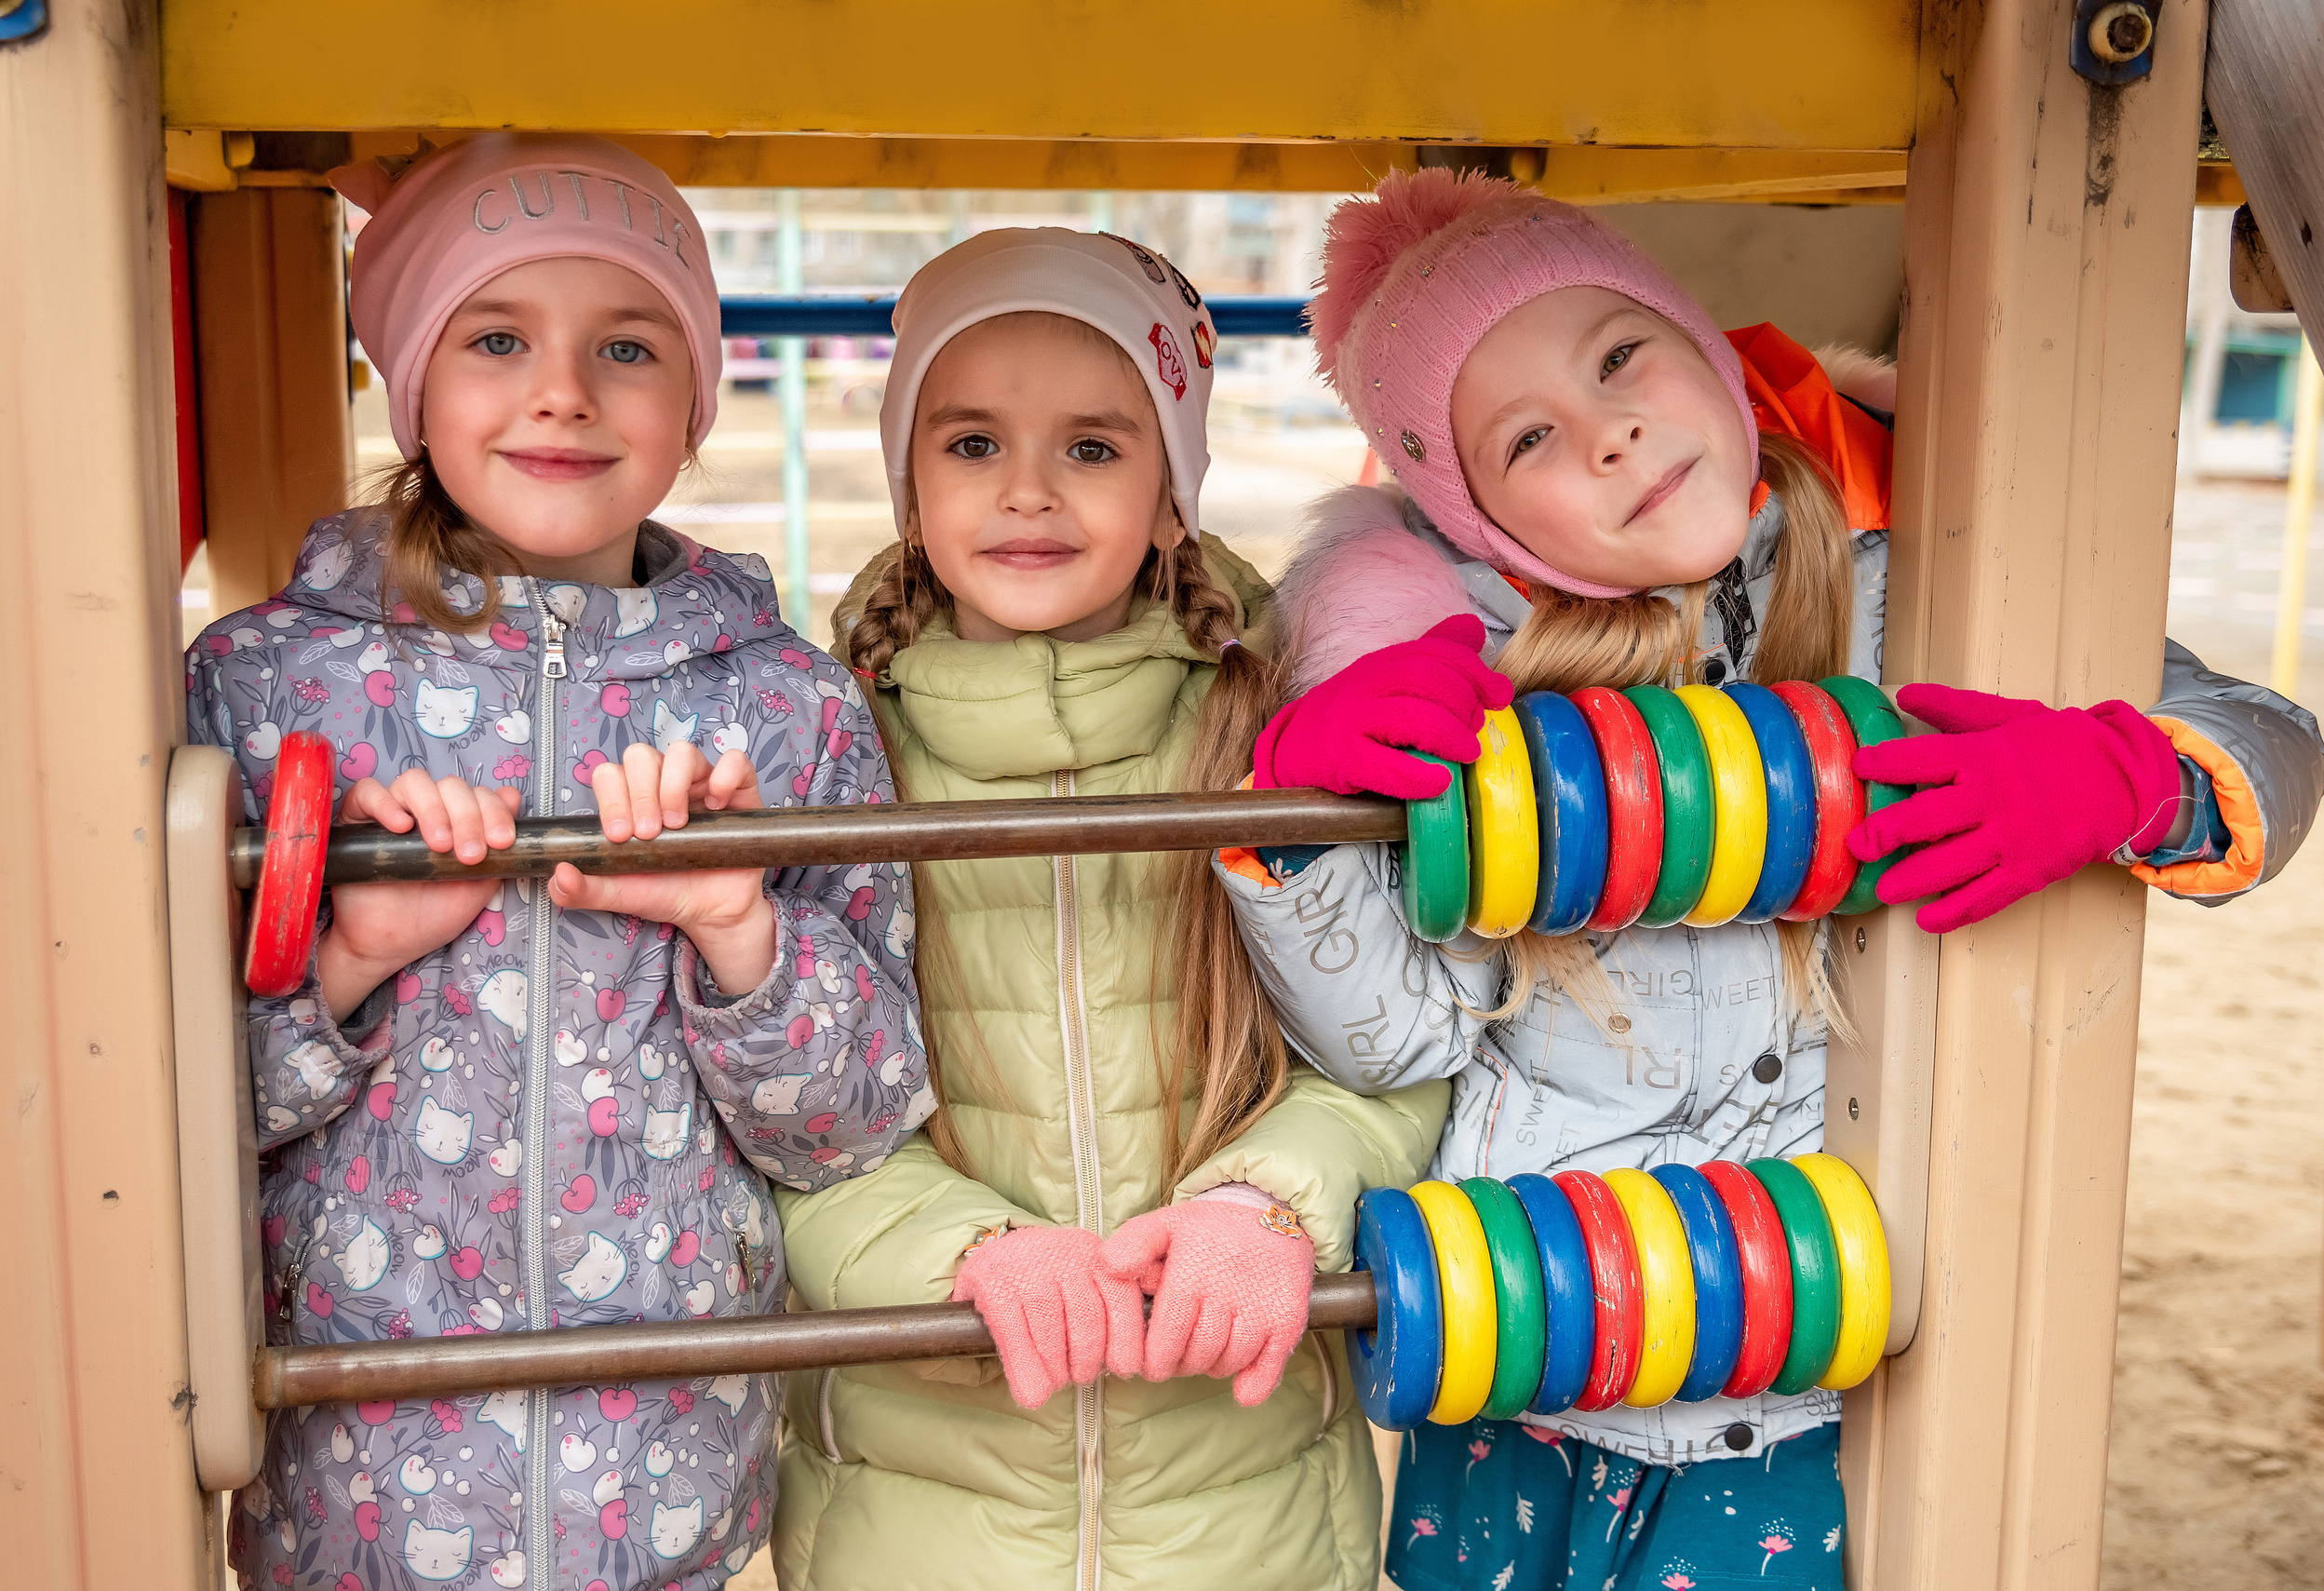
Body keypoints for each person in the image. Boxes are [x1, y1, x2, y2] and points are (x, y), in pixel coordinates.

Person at [1216, 169, 2324, 1591]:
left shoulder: (1921, 604)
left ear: (1707, 345)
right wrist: (1296, 832)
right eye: (1531, 438)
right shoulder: (1494, 722)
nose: (1612, 431)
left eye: (1621, 355)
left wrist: (2128, 775)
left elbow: (2277, 743)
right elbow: (1396, 1037)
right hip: (1521, 1374)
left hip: (1792, 1385)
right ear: (1478, 519)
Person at [188, 133, 925, 1591]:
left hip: (669, 1514)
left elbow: (849, 1126)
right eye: (499, 336)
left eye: (630, 345)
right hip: (350, 1512)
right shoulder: (265, 687)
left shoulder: (786, 707)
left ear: (698, 399)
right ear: (411, 382)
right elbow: (150, 1128)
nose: (562, 392)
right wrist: (349, 957)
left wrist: (737, 926)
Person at [766, 227, 1446, 1591]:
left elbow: (1396, 1048)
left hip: (1245, 1505)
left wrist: (1273, 1203)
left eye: (1091, 446)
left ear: (1173, 492)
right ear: (908, 482)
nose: (1027, 490)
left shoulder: (1271, 741)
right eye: (970, 445)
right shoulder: (826, 753)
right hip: (916, 1511)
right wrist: (956, 1248)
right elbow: (772, 1111)